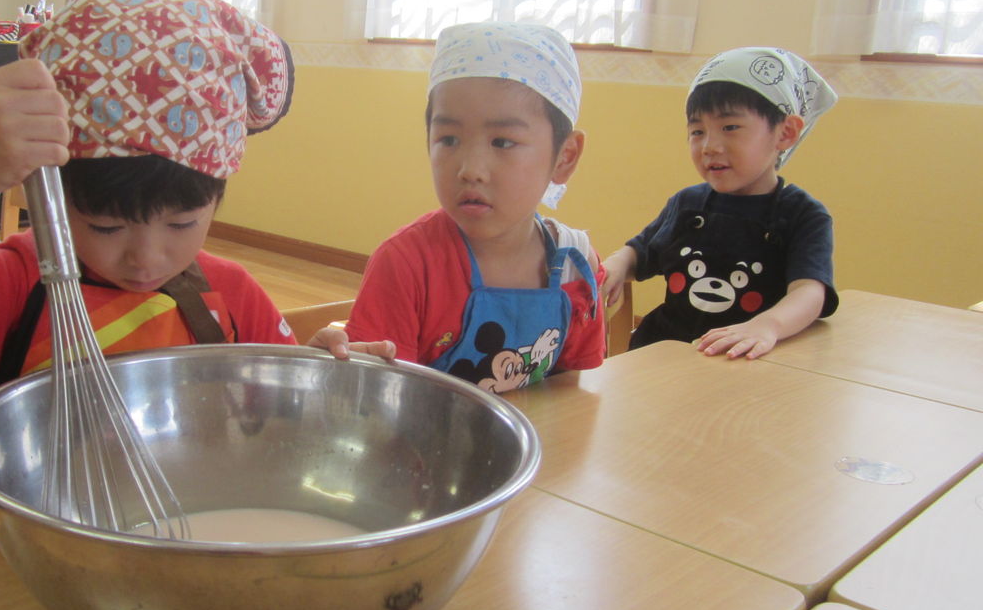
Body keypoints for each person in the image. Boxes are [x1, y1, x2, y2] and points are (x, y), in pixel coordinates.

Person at [0, 0, 390, 558]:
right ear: (50, 194)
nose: (146, 257)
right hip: (23, 562)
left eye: (182, 224)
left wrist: (322, 373)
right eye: (106, 227)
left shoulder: (228, 293)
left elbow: (281, 415)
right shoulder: (17, 281)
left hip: (186, 552)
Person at [317, 21, 605, 393]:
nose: (470, 170)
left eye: (502, 142)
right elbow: (375, 401)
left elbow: (572, 395)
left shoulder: (574, 265)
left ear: (565, 157)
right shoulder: (406, 265)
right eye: (449, 139)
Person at [600, 47, 839, 359]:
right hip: (667, 355)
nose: (709, 146)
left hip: (745, 363)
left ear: (785, 133)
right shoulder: (687, 203)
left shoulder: (802, 215)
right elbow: (641, 252)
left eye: (730, 127)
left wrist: (768, 325)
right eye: (697, 131)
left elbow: (810, 292)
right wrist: (617, 265)